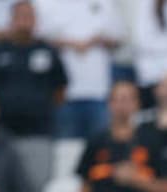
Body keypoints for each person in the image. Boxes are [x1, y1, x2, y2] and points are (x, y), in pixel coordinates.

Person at [0, 0, 68, 192]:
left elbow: (60, 88)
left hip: (38, 133)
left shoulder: (48, 51)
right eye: (20, 16)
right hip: (3, 134)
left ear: (36, 21)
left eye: (29, 16)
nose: (24, 22)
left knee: (38, 188)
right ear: (11, 20)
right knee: (1, 187)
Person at [77, 82, 167, 192]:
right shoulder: (96, 141)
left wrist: (136, 180)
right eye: (117, 100)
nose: (122, 106)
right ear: (109, 104)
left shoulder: (151, 139)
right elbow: (85, 185)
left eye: (127, 99)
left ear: (137, 104)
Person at [36, 0, 121, 140]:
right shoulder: (45, 4)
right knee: (66, 151)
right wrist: (68, 42)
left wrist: (95, 40)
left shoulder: (105, 3)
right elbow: (35, 36)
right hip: (62, 95)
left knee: (100, 148)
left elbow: (118, 37)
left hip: (99, 92)